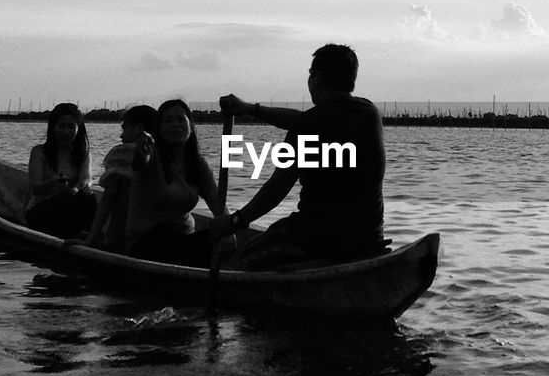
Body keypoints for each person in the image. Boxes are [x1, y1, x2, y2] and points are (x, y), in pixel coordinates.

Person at [214, 43, 385, 269]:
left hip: (315, 238)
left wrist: (236, 221)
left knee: (238, 263)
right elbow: (306, 120)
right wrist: (251, 109)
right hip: (368, 236)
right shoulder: (368, 113)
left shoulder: (310, 124)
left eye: (310, 74)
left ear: (316, 77)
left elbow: (278, 187)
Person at [124, 99, 227, 266]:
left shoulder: (197, 164)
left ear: (190, 126)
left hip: (183, 239)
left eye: (180, 120)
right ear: (160, 129)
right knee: (165, 233)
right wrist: (142, 151)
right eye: (168, 121)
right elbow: (141, 162)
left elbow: (216, 199)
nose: (175, 125)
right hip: (146, 243)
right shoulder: (151, 156)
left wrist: (229, 227)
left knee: (218, 235)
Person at [78, 104, 157, 251]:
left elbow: (108, 198)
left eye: (125, 128)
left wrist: (90, 239)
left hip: (122, 236)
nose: (121, 135)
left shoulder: (120, 156)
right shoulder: (165, 155)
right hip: (156, 235)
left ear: (139, 128)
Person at [25, 102, 97, 238]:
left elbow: (85, 181)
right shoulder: (39, 152)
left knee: (89, 198)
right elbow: (35, 188)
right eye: (61, 126)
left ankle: (87, 235)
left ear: (78, 129)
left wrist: (73, 189)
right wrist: (52, 182)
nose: (66, 132)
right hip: (40, 211)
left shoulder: (83, 154)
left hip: (69, 208)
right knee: (65, 201)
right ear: (53, 127)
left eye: (71, 127)